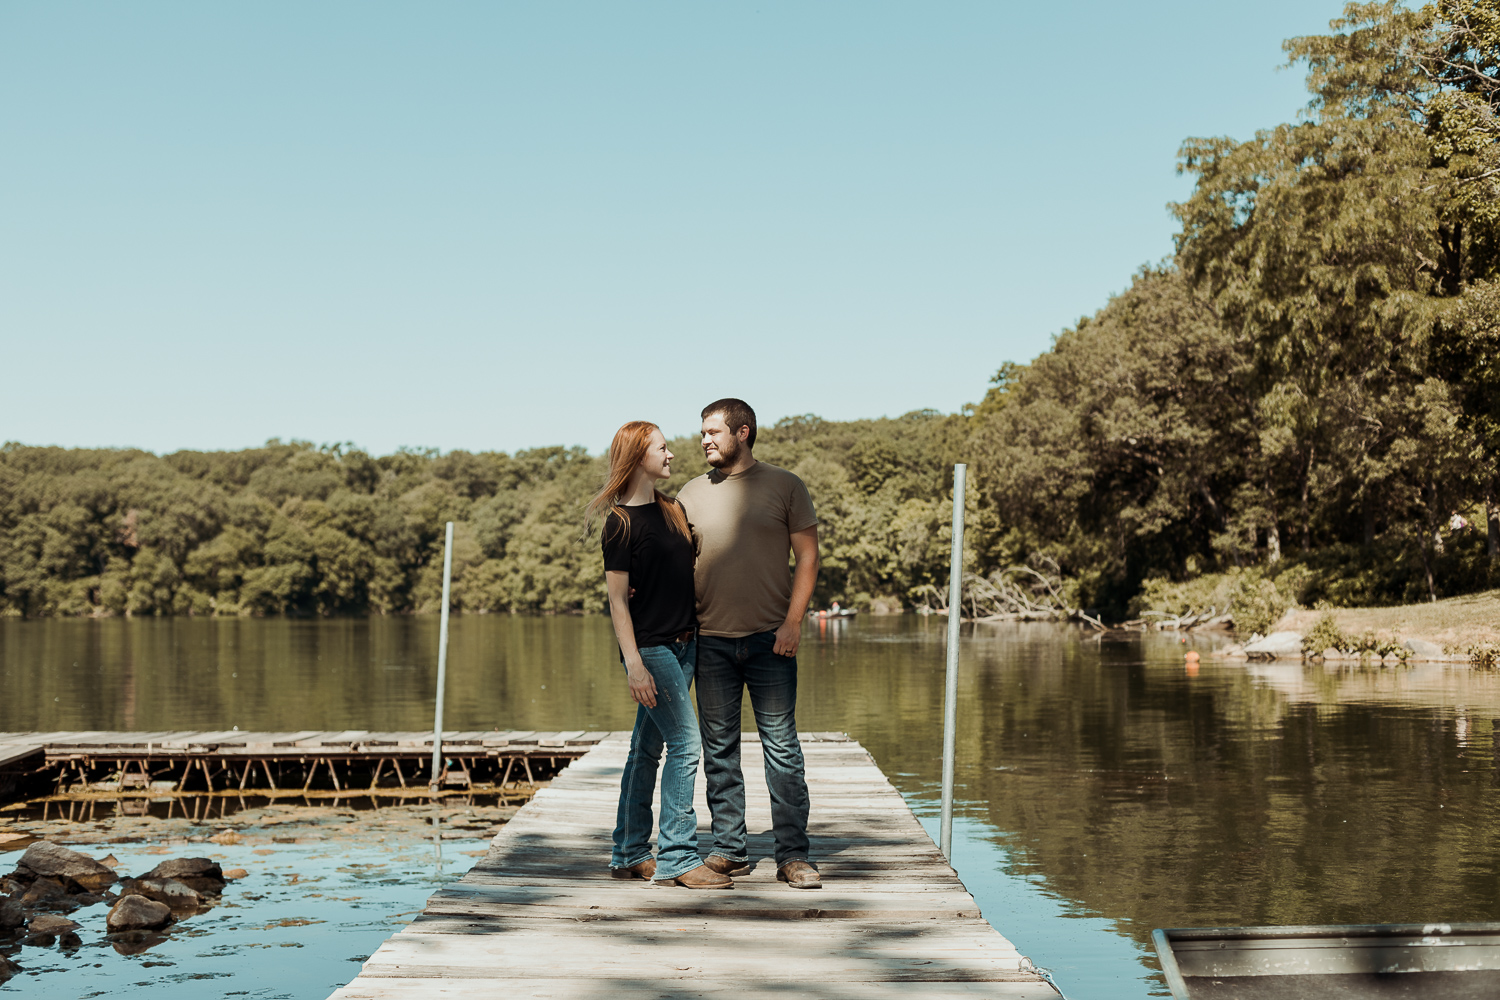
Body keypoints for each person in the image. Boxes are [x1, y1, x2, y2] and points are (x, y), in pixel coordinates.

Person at [676, 398, 823, 889]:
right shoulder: (690, 494)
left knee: (782, 749)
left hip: (770, 640)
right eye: (702, 433)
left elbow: (807, 558)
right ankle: (729, 848)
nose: (704, 440)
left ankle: (793, 855)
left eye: (713, 431)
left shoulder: (785, 486)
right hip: (711, 641)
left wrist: (793, 622)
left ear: (742, 432)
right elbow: (675, 567)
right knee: (718, 752)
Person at [587, 420, 731, 889]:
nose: (671, 455)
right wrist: (634, 665)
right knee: (687, 746)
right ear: (637, 458)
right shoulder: (619, 523)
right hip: (650, 651)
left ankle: (628, 852)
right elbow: (616, 600)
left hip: (686, 643)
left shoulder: (672, 510)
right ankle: (678, 858)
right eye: (662, 449)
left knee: (645, 750)